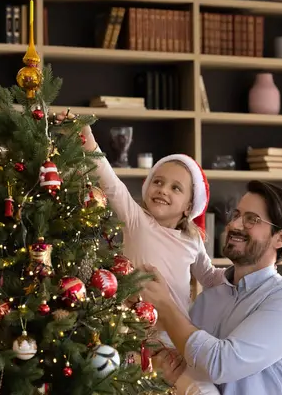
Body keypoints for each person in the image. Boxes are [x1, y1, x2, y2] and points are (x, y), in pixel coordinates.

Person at [55, 111, 225, 394]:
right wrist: (85, 133)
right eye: (157, 182)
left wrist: (243, 278)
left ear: (188, 205)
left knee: (199, 390)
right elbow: (108, 180)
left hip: (173, 337)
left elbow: (209, 277)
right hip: (129, 334)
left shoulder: (192, 241)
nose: (163, 190)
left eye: (175, 188)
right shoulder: (136, 220)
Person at [140, 180, 282, 394]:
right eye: (236, 215)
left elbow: (220, 364)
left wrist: (166, 306)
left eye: (251, 220)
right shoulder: (210, 296)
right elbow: (179, 356)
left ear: (280, 238)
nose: (234, 225)